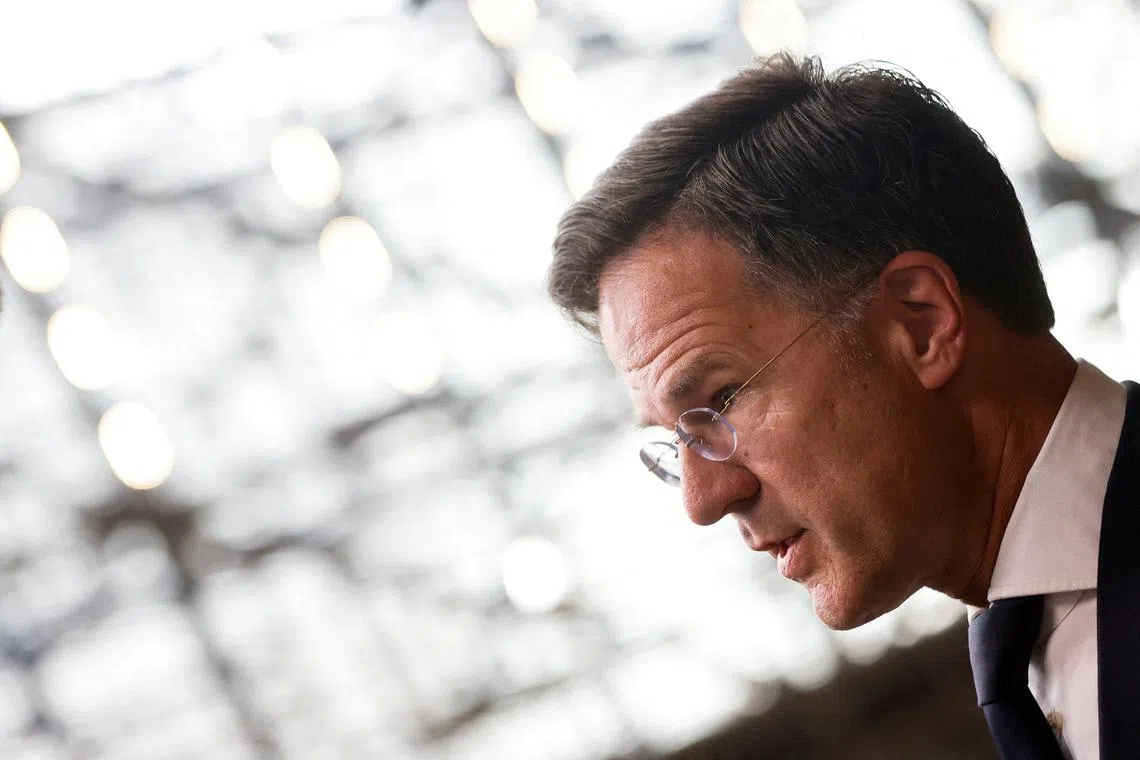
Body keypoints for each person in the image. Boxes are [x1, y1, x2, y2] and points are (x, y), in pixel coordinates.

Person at [546, 54, 1139, 760]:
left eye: (723, 397)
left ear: (920, 323)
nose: (704, 501)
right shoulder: (1043, 661)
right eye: (677, 442)